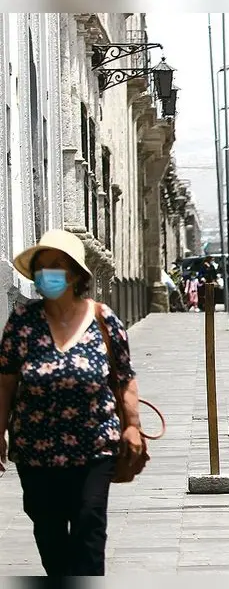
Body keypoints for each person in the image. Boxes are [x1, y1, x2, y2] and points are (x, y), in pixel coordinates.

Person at [0, 229, 143, 576]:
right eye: (42, 267)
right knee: (49, 537)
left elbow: (124, 378)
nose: (47, 273)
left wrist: (133, 428)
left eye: (57, 266)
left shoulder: (104, 320)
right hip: (36, 451)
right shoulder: (22, 323)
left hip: (94, 449)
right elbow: (5, 383)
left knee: (89, 531)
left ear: (77, 274)